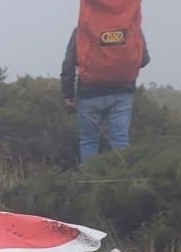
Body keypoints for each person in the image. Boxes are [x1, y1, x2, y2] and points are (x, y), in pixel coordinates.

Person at [60, 26, 150, 164]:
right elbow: (144, 59)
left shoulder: (82, 29)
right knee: (120, 139)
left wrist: (68, 95)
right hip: (122, 93)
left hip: (89, 93)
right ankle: (122, 179)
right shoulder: (131, 27)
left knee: (89, 140)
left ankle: (91, 179)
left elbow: (68, 64)